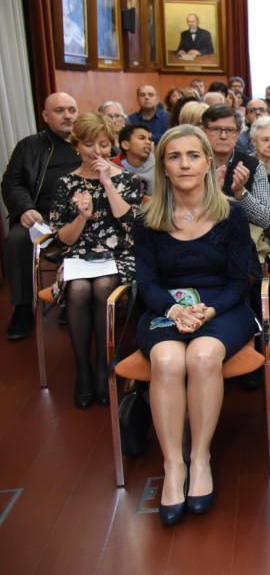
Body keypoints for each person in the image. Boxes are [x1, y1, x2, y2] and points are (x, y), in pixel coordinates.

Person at [133, 125, 258, 525]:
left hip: (223, 306)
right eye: (174, 156)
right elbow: (147, 281)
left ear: (208, 162)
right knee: (168, 362)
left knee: (204, 356)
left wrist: (208, 311)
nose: (184, 164)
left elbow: (241, 281)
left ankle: (200, 457)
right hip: (165, 307)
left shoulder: (231, 215)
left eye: (192, 155)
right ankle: (174, 466)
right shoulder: (148, 217)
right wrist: (172, 310)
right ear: (163, 166)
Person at [50, 113, 140, 408]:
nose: (96, 152)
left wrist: (107, 182)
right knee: (78, 290)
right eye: (89, 145)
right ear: (77, 146)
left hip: (117, 255)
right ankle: (83, 371)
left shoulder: (126, 179)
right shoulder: (65, 183)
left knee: (102, 287)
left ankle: (104, 365)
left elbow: (131, 226)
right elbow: (63, 239)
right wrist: (81, 217)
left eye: (102, 145)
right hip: (79, 255)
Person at [2, 93, 82, 340]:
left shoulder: (88, 141)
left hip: (82, 215)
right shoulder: (30, 146)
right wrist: (25, 208)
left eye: (71, 109)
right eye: (59, 111)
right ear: (46, 116)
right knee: (16, 240)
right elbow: (11, 183)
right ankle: (24, 307)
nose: (67, 115)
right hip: (41, 216)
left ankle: (73, 299)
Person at [202, 105, 270, 229]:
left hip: (241, 239)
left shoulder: (253, 166)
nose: (223, 136)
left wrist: (241, 192)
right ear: (204, 131)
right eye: (216, 129)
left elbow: (265, 220)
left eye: (229, 130)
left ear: (238, 134)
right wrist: (212, 192)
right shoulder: (192, 164)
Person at [112, 122, 155, 196]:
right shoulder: (114, 169)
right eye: (141, 138)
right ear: (125, 145)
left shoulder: (161, 166)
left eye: (150, 139)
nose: (148, 142)